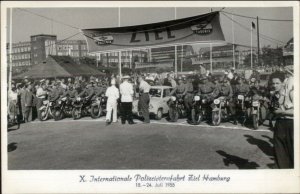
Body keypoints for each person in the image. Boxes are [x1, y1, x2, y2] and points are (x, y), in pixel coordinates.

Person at [270, 71, 294, 168]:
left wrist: (282, 112)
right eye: (273, 83)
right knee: (279, 153)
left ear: (283, 83)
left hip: (291, 124)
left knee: (292, 154)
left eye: (277, 83)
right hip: (279, 124)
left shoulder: (292, 93)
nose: (274, 85)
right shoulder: (275, 95)